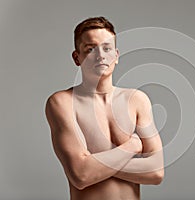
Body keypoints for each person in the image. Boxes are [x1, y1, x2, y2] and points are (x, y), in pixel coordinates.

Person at [45, 16, 164, 200]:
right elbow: (81, 175)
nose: (100, 55)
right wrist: (132, 146)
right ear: (77, 58)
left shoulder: (136, 100)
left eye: (107, 48)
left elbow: (156, 173)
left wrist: (94, 164)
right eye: (90, 49)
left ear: (116, 55)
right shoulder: (62, 102)